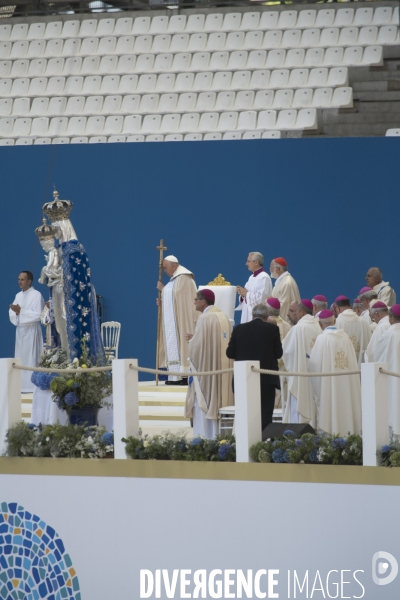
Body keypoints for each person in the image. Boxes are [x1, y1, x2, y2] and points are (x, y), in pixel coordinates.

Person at [226, 303, 282, 431]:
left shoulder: (239, 329)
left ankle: (244, 440)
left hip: (244, 377)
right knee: (265, 412)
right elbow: (279, 354)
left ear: (252, 315)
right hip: (266, 378)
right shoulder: (272, 329)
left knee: (245, 411)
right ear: (267, 316)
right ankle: (264, 443)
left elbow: (230, 353)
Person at [185, 289, 232, 439]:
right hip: (221, 368)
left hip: (207, 369)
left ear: (203, 301)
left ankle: (204, 438)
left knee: (204, 399)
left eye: (195, 300)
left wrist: (191, 341)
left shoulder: (205, 318)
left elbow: (197, 348)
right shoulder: (223, 316)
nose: (194, 302)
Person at [309, 310, 361, 436]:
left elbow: (314, 365)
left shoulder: (322, 339)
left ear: (320, 324)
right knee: (346, 405)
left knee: (330, 405)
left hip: (329, 386)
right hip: (346, 385)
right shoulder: (345, 337)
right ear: (335, 321)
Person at [157, 255, 199, 385]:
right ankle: (174, 375)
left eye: (166, 268)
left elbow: (179, 296)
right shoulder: (174, 279)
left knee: (183, 343)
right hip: (176, 320)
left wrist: (163, 290)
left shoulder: (184, 277)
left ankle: (185, 376)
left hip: (184, 319)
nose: (164, 271)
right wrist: (162, 301)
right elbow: (174, 300)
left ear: (174, 266)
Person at [282, 299, 321, 426]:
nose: (289, 314)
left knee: (299, 406)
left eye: (293, 311)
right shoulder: (317, 325)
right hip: (316, 376)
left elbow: (285, 352)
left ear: (302, 312)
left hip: (300, 377)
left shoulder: (298, 328)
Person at [9, 271, 44, 393]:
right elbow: (13, 314)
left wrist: (21, 311)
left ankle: (31, 388)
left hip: (31, 330)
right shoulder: (18, 295)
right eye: (19, 279)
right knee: (20, 358)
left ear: (29, 281)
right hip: (21, 331)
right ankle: (21, 386)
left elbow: (39, 315)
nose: (20, 281)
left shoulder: (36, 295)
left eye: (22, 279)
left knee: (31, 359)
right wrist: (16, 311)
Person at [374, 305, 400, 437]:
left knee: (394, 406)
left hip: (392, 379)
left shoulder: (388, 334)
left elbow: (376, 355)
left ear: (392, 318)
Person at [335, 295, 371, 367]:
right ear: (350, 306)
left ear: (337, 308)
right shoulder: (363, 322)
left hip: (344, 368)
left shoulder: (337, 322)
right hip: (362, 367)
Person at [236, 252, 272, 323]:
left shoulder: (264, 277)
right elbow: (246, 294)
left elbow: (261, 299)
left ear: (256, 262)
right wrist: (242, 294)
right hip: (247, 315)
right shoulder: (251, 277)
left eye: (248, 261)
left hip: (258, 317)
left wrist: (246, 294)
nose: (246, 264)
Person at [269, 257, 300, 323]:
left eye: (271, 268)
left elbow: (284, 306)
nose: (270, 270)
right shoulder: (282, 281)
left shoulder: (287, 283)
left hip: (285, 322)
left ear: (278, 269)